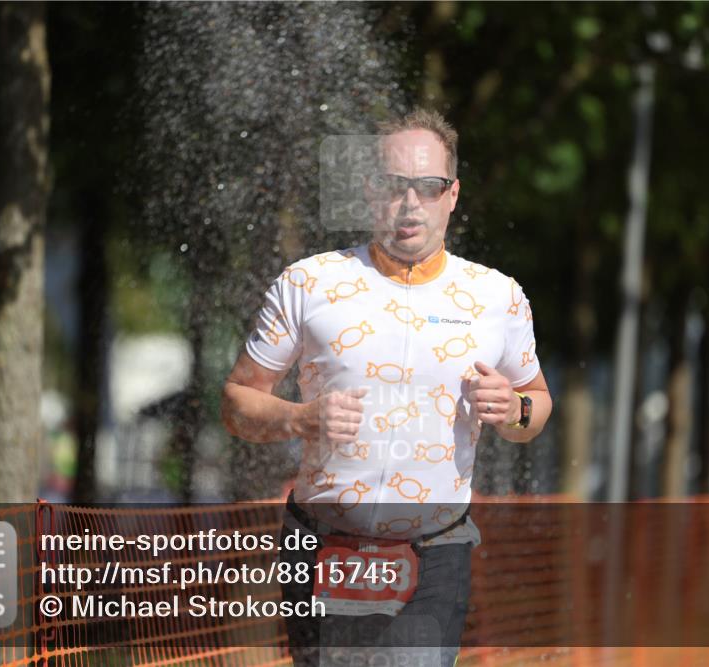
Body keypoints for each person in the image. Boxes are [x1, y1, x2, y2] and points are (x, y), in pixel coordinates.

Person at [221, 108, 552, 666]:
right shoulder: (310, 282)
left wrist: (514, 408)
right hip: (321, 544)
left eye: (428, 187)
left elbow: (536, 405)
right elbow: (236, 402)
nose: (409, 203)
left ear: (452, 195)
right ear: (370, 192)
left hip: (435, 548)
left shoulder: (498, 297)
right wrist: (301, 419)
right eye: (394, 186)